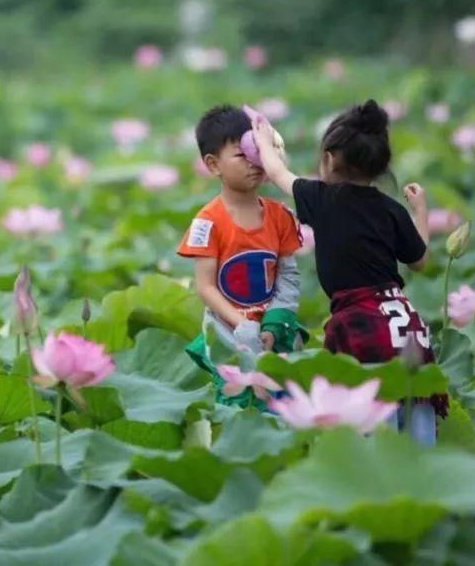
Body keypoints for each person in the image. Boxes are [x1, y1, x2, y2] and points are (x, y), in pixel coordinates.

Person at [252, 99, 445, 445]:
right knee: (418, 445)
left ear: (328, 158)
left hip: (362, 327)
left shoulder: (322, 198)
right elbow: (420, 260)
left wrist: (264, 141)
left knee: (370, 439)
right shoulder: (391, 210)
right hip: (405, 325)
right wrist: (420, 211)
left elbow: (278, 173)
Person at [177, 105, 307, 407]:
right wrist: (241, 325)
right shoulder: (207, 222)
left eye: (257, 153)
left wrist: (277, 319)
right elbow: (206, 287)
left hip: (277, 332)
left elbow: (288, 274)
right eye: (241, 155)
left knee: (285, 409)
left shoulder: (280, 216)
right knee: (239, 409)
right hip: (229, 335)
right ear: (213, 165)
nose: (254, 163)